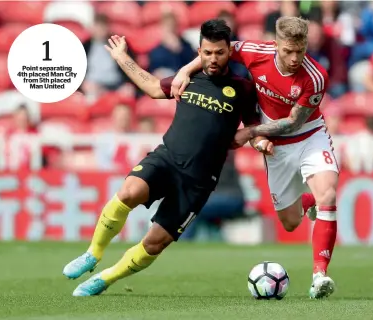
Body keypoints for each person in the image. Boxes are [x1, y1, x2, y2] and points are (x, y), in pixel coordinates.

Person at [63, 19, 272, 296]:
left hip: (198, 181)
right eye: (207, 52)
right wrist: (122, 58)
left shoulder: (243, 89)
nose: (213, 58)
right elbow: (150, 87)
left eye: (219, 53)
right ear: (199, 51)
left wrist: (260, 140)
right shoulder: (188, 78)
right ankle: (92, 253)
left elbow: (253, 126)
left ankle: (105, 278)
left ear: (228, 52)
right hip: (167, 159)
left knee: (154, 244)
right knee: (128, 192)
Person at [171, 16, 339, 299]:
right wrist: (184, 71)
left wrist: (250, 132)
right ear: (276, 45)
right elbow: (216, 50)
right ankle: (308, 200)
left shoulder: (316, 76)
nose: (295, 58)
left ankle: (319, 275)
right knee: (289, 222)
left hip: (310, 135)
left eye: (300, 50)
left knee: (329, 196)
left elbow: (294, 122)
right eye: (288, 51)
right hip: (277, 147)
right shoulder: (254, 53)